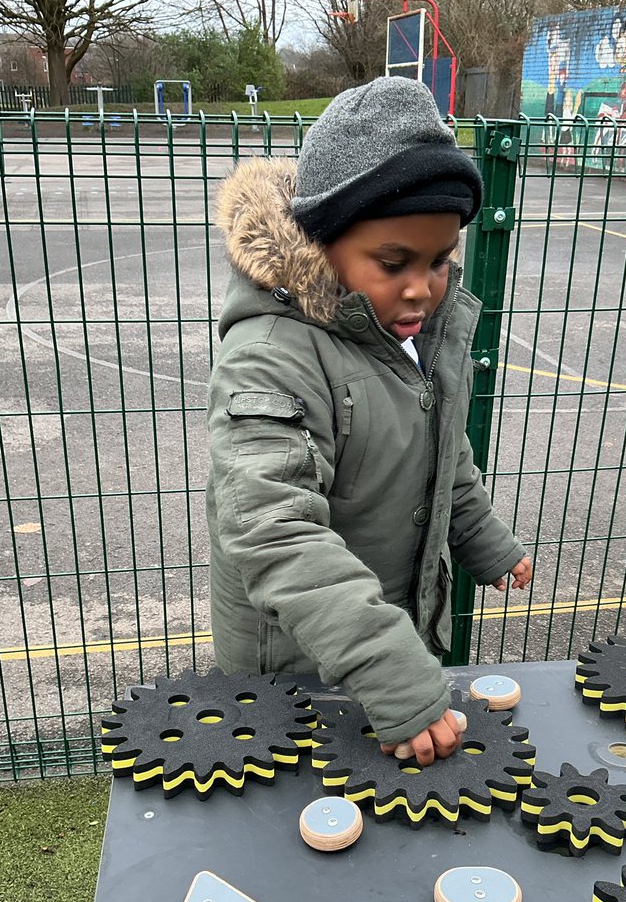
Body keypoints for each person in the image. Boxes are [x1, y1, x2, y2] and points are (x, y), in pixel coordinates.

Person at [206, 77, 532, 767]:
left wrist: (483, 539)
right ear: (321, 246)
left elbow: (444, 455)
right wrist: (394, 675)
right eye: (395, 262)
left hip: (388, 643)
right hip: (292, 668)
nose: (423, 286)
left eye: (441, 260)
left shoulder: (406, 328)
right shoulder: (269, 358)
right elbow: (274, 534)